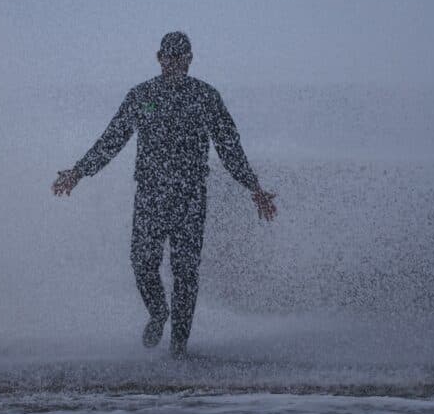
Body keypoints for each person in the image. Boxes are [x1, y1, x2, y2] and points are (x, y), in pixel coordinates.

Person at [52, 32, 277, 358]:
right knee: (142, 263)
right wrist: (79, 172)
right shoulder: (142, 95)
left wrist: (254, 187)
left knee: (186, 274)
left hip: (190, 198)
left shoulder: (205, 97)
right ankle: (158, 312)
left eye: (180, 57)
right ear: (159, 58)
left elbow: (229, 148)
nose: (174, 63)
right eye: (169, 57)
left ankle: (178, 349)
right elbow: (112, 139)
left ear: (190, 59)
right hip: (150, 195)